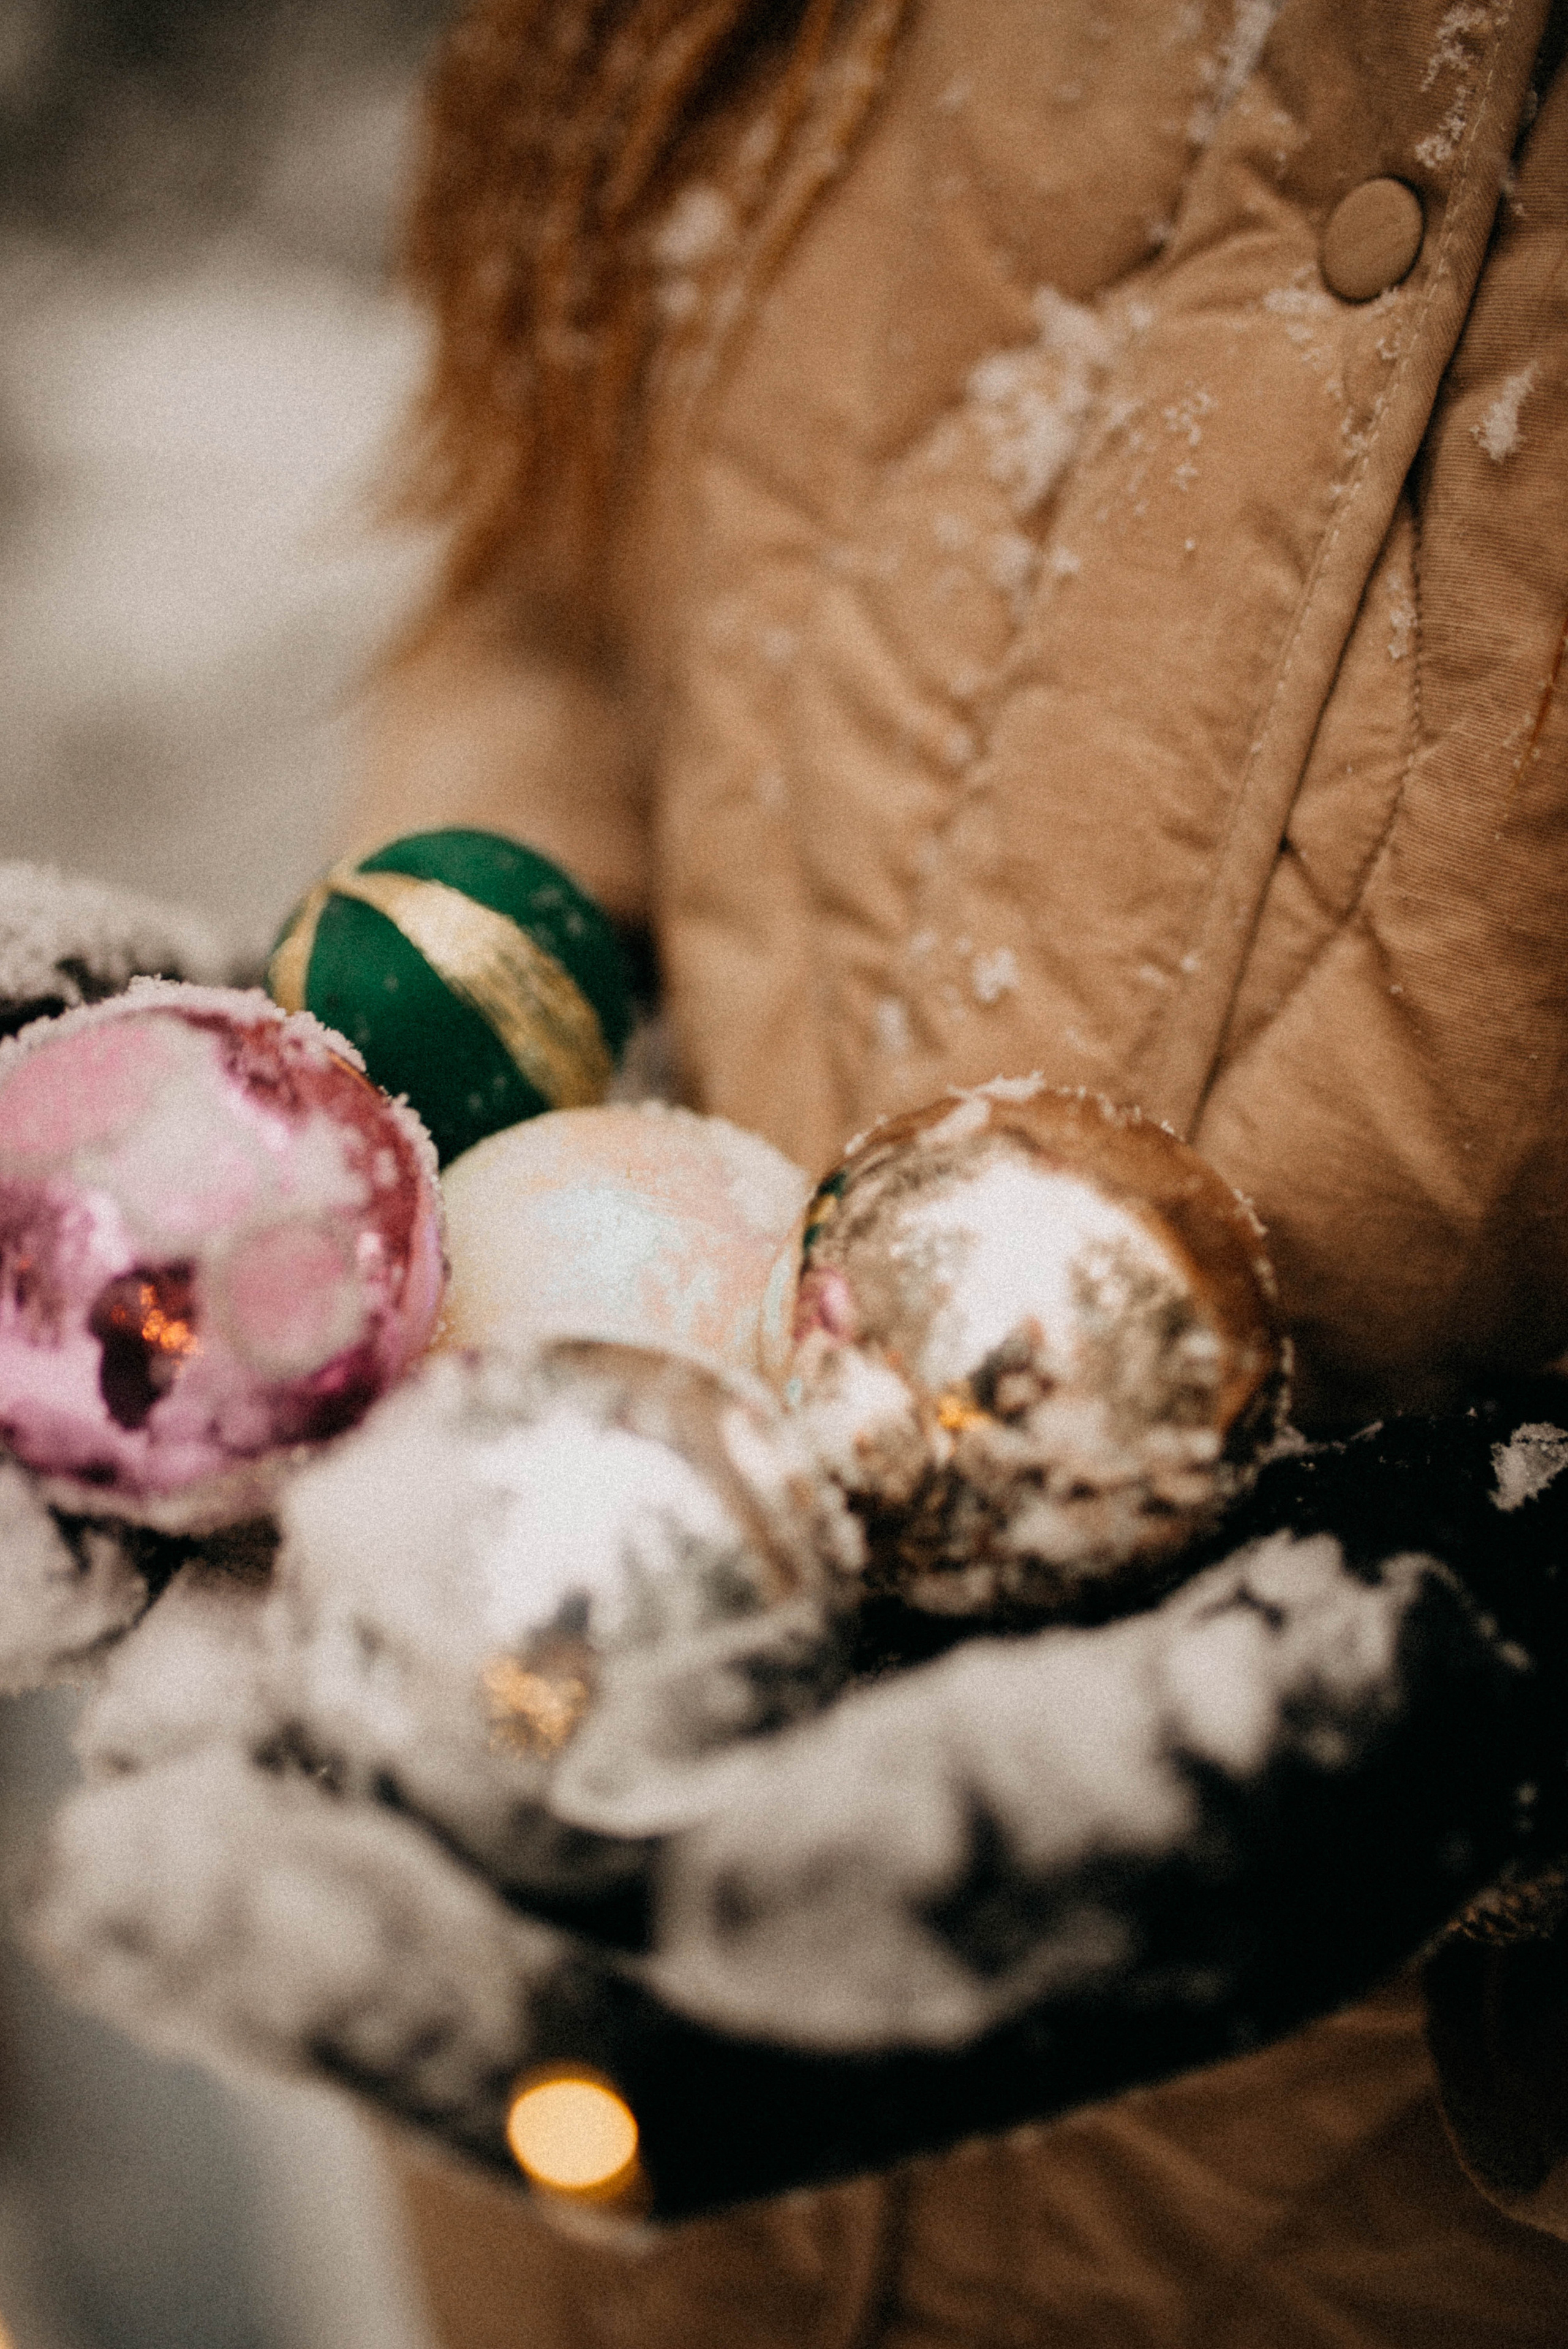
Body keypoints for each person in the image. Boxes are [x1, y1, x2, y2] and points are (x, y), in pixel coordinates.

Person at [14, 2, 1568, 2344]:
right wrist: (340, 1073)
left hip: (1354, 2222)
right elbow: (565, 565)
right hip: (596, 2208)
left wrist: (1508, 1685)